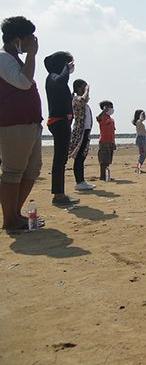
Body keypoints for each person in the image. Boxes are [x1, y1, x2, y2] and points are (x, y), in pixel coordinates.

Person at [0, 16, 45, 230]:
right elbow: (24, 82)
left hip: (29, 123)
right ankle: (9, 219)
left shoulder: (13, 58)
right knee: (13, 171)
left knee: (32, 169)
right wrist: (33, 56)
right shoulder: (3, 58)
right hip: (14, 123)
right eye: (30, 38)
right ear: (19, 39)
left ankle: (15, 214)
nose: (34, 42)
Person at [45, 50, 80, 206]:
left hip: (61, 122)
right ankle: (58, 195)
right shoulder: (53, 77)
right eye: (69, 64)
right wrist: (66, 67)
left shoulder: (56, 79)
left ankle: (60, 193)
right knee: (59, 160)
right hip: (58, 122)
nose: (71, 68)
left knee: (61, 159)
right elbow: (61, 80)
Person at [68, 79, 95, 191]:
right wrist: (87, 90)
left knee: (82, 156)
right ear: (79, 88)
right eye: (84, 87)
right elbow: (83, 99)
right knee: (79, 157)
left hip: (85, 131)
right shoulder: (76, 99)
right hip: (80, 132)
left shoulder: (82, 101)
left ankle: (82, 181)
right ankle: (79, 182)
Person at [96, 100, 116, 180]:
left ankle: (106, 176)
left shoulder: (111, 119)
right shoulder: (103, 117)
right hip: (104, 141)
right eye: (110, 107)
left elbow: (113, 132)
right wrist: (103, 111)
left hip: (110, 141)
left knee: (108, 160)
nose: (112, 109)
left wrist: (113, 142)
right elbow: (98, 118)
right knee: (103, 161)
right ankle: (102, 176)